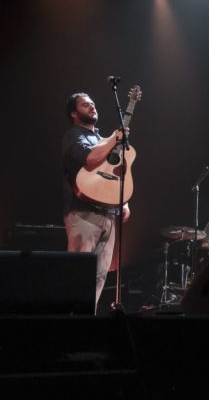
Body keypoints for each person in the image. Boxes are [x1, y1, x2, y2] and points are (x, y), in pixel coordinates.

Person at [62, 92, 130, 309]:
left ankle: (86, 323)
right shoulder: (73, 135)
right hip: (83, 212)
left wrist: (124, 200)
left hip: (109, 214)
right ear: (74, 113)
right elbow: (90, 159)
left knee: (100, 276)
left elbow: (115, 171)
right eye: (85, 105)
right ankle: (68, 322)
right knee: (77, 273)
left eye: (93, 103)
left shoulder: (103, 140)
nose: (92, 107)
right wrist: (113, 139)